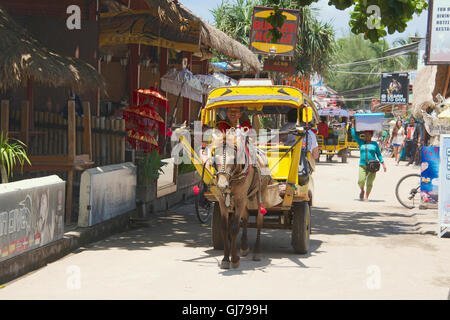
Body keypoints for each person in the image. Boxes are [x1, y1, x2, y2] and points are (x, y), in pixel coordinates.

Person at [351, 118, 387, 201]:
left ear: (371, 135)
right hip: (362, 165)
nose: (366, 136)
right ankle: (362, 190)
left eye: (368, 134)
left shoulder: (375, 144)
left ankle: (366, 196)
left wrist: (383, 164)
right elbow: (353, 135)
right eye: (365, 134)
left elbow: (379, 155)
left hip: (372, 165)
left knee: (370, 183)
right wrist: (353, 124)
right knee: (361, 181)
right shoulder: (361, 142)